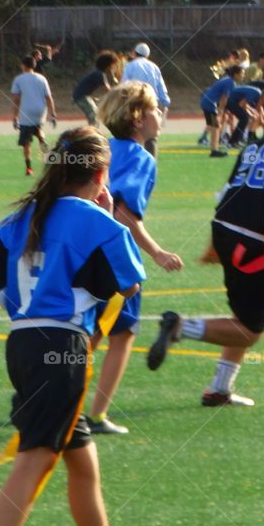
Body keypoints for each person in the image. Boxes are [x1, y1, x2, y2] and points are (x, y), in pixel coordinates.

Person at [0, 127, 158, 526]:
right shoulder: (96, 221)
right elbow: (129, 284)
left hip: (22, 345)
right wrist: (109, 216)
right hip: (63, 348)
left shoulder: (17, 221)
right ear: (100, 173)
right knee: (35, 457)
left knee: (81, 460)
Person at [146, 86, 264, 408]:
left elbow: (230, 189)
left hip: (226, 230)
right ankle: (180, 328)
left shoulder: (259, 144)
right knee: (250, 331)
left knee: (241, 317)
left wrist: (213, 243)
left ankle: (219, 389)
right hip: (254, 240)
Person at [86, 82, 184, 436]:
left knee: (91, 334)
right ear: (139, 118)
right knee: (123, 334)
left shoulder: (103, 149)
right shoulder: (142, 158)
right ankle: (95, 416)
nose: (161, 115)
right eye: (157, 109)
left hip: (83, 252)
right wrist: (156, 252)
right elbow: (125, 214)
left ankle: (46, 396)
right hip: (113, 259)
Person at [121, 43, 170, 158]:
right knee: (151, 138)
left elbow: (123, 86)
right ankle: (151, 165)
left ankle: (134, 163)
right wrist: (165, 103)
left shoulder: (130, 66)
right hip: (151, 104)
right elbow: (162, 89)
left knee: (132, 134)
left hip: (133, 104)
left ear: (135, 53)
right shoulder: (154, 67)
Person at [11, 55, 56, 177]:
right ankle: (43, 143)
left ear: (24, 65)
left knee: (26, 142)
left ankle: (29, 168)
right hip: (40, 110)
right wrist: (53, 114)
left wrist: (15, 117)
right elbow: (48, 97)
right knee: (38, 129)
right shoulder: (42, 78)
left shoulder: (19, 79)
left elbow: (16, 98)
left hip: (26, 111)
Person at [198, 66, 243, 157]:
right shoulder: (230, 82)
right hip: (209, 104)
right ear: (236, 74)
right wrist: (221, 110)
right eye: (242, 73)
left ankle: (213, 148)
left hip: (206, 102)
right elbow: (224, 98)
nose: (243, 75)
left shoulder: (227, 79)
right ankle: (214, 151)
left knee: (214, 126)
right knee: (216, 126)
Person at [71, 51, 119, 127]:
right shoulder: (98, 74)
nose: (113, 67)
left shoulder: (98, 72)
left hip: (82, 96)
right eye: (112, 65)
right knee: (94, 117)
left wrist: (112, 77)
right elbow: (108, 89)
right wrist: (117, 86)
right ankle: (91, 135)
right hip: (81, 97)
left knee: (95, 116)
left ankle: (92, 133)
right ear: (108, 65)